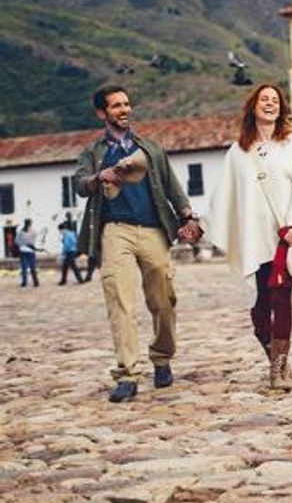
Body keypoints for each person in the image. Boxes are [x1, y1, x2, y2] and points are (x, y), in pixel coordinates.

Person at [205, 83, 292, 391]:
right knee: (259, 310)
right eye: (263, 99)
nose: (269, 104)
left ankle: (278, 367)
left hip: (287, 236)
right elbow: (226, 196)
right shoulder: (238, 152)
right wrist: (200, 224)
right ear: (253, 106)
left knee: (281, 299)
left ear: (281, 108)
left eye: (275, 100)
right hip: (256, 239)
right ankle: (275, 355)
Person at [75, 85, 202, 402]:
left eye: (127, 104)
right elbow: (80, 185)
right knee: (120, 301)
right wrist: (98, 176)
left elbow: (173, 187)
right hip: (114, 230)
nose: (124, 110)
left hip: (153, 230)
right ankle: (128, 374)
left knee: (163, 300)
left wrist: (189, 216)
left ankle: (161, 358)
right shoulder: (93, 152)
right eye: (116, 105)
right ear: (102, 113)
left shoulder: (152, 149)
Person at [16, 219, 39, 288]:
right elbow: (17, 241)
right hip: (25, 251)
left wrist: (25, 243)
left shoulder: (32, 232)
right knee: (27, 267)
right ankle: (27, 282)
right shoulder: (21, 232)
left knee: (29, 267)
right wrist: (25, 244)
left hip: (28, 251)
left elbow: (17, 241)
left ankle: (32, 282)